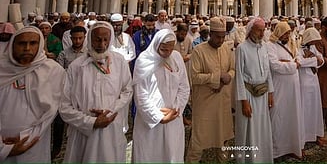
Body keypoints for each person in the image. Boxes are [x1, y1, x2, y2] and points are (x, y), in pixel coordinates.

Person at [60, 22, 133, 163]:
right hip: (82, 131)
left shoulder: (119, 62)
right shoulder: (76, 67)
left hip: (111, 126)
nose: (102, 44)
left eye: (106, 40)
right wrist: (91, 121)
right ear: (90, 39)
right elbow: (64, 106)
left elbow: (127, 90)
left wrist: (109, 112)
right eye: (98, 39)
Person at [0, 26, 65, 163]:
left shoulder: (53, 71)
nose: (27, 48)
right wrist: (3, 147)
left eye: (33, 43)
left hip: (35, 142)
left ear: (40, 44)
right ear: (12, 45)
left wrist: (26, 137)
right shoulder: (2, 68)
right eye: (22, 43)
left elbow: (50, 112)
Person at [132, 29, 190, 163]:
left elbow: (184, 87)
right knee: (149, 155)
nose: (167, 53)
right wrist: (158, 117)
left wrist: (175, 109)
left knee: (172, 155)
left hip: (174, 118)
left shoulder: (176, 58)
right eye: (164, 49)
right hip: (150, 123)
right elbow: (141, 96)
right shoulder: (144, 61)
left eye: (170, 49)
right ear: (156, 45)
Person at [187, 17, 235, 163]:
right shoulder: (199, 51)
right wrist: (216, 77)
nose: (221, 40)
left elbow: (232, 69)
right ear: (210, 34)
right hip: (204, 102)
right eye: (218, 37)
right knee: (198, 139)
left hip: (222, 101)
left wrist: (228, 77)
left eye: (223, 37)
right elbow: (194, 77)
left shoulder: (226, 48)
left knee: (223, 137)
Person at [235, 17, 274, 163]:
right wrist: (243, 101)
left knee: (263, 129)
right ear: (251, 30)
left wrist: (271, 92)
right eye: (259, 30)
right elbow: (238, 76)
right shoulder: (242, 48)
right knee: (248, 130)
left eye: (264, 30)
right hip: (248, 95)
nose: (262, 34)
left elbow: (267, 71)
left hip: (263, 94)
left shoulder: (264, 46)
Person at [267, 21, 304, 159]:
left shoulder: (291, 43)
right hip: (279, 86)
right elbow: (275, 65)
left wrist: (289, 63)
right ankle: (276, 150)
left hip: (293, 85)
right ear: (278, 33)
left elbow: (298, 57)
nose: (287, 36)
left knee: (293, 114)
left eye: (289, 33)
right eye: (285, 33)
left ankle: (293, 146)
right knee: (278, 116)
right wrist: (293, 65)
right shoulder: (270, 46)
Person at [297, 27, 326, 146]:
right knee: (305, 109)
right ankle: (303, 137)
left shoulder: (313, 47)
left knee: (315, 108)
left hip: (314, 80)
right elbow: (299, 62)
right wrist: (314, 60)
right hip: (303, 81)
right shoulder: (298, 47)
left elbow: (322, 60)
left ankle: (315, 134)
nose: (315, 43)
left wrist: (313, 58)